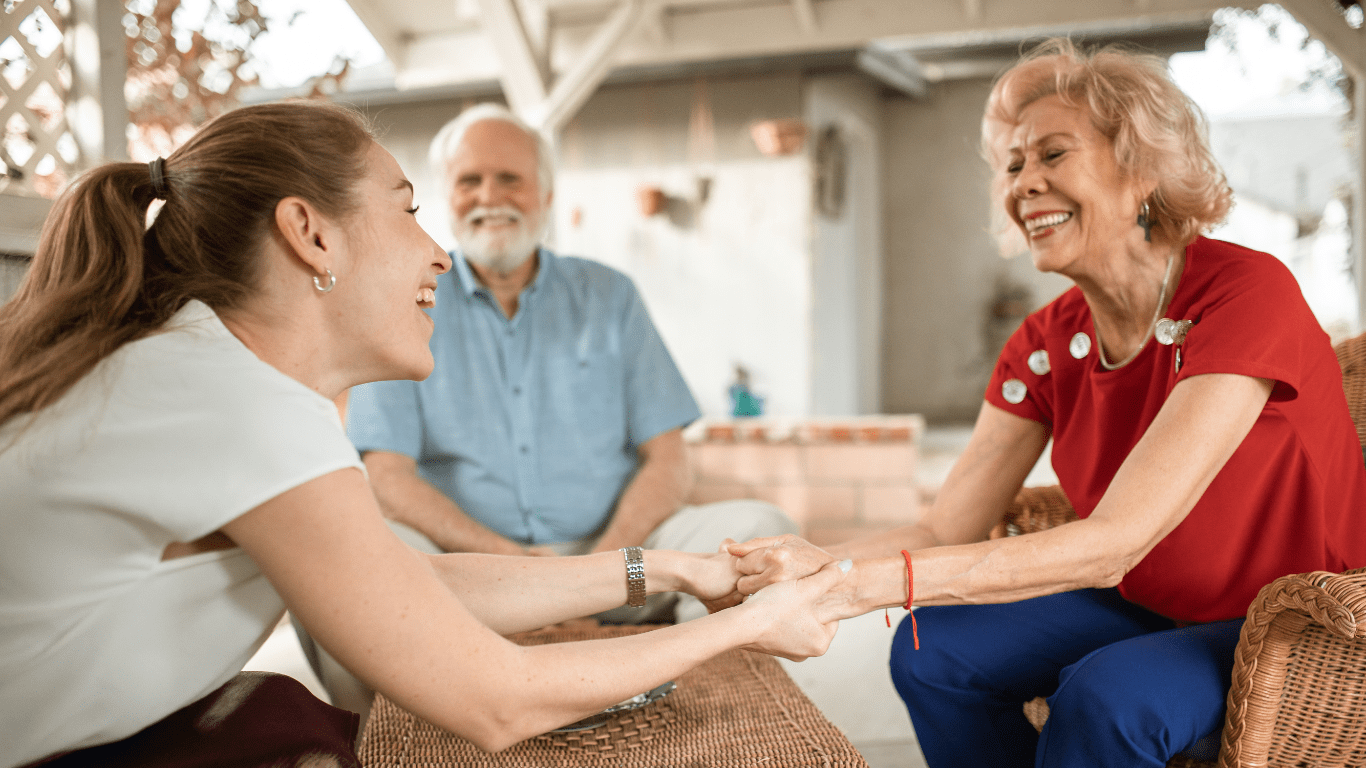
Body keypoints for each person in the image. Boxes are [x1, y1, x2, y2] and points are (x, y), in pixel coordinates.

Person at [0, 101, 848, 768]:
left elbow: (404, 581)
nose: (438, 253)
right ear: (310, 233)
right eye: (409, 210)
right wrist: (746, 624)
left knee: (284, 711)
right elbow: (499, 700)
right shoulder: (239, 403)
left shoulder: (204, 368)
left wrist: (667, 568)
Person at [726, 39, 1366, 767]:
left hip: (1285, 619)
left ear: (1141, 172)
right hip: (1144, 598)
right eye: (1014, 163)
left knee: (1107, 696)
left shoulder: (1246, 295)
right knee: (929, 651)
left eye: (1053, 155)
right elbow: (945, 523)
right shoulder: (1046, 339)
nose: (1023, 183)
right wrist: (811, 564)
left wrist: (857, 588)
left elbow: (1118, 538)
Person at [342, 103, 797, 620]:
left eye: (509, 179)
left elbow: (670, 457)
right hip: (472, 573)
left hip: (624, 563)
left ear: (548, 196)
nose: (489, 197)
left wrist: (606, 566)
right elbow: (386, 474)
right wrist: (510, 561)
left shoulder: (610, 296)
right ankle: (395, 704)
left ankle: (705, 694)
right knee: (351, 558)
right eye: (470, 181)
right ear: (447, 197)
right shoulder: (406, 301)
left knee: (761, 529)